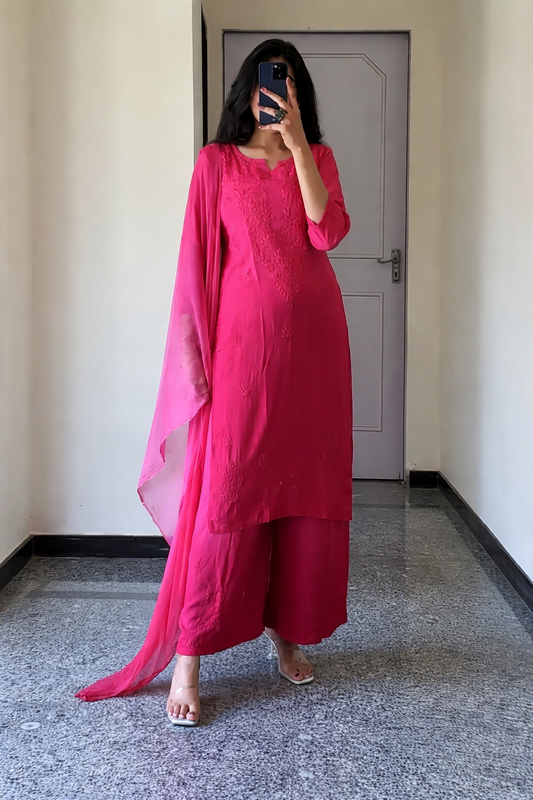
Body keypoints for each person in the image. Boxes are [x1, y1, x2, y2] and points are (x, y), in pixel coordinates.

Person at [74, 38, 353, 728]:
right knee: (228, 498)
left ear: (299, 96)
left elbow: (327, 234)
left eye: (288, 86)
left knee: (300, 497)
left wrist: (296, 146)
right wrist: (194, 362)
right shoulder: (216, 163)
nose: (276, 96)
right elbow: (196, 260)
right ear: (247, 92)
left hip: (315, 360)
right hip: (244, 359)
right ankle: (189, 655)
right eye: (267, 83)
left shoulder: (317, 158)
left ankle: (285, 632)